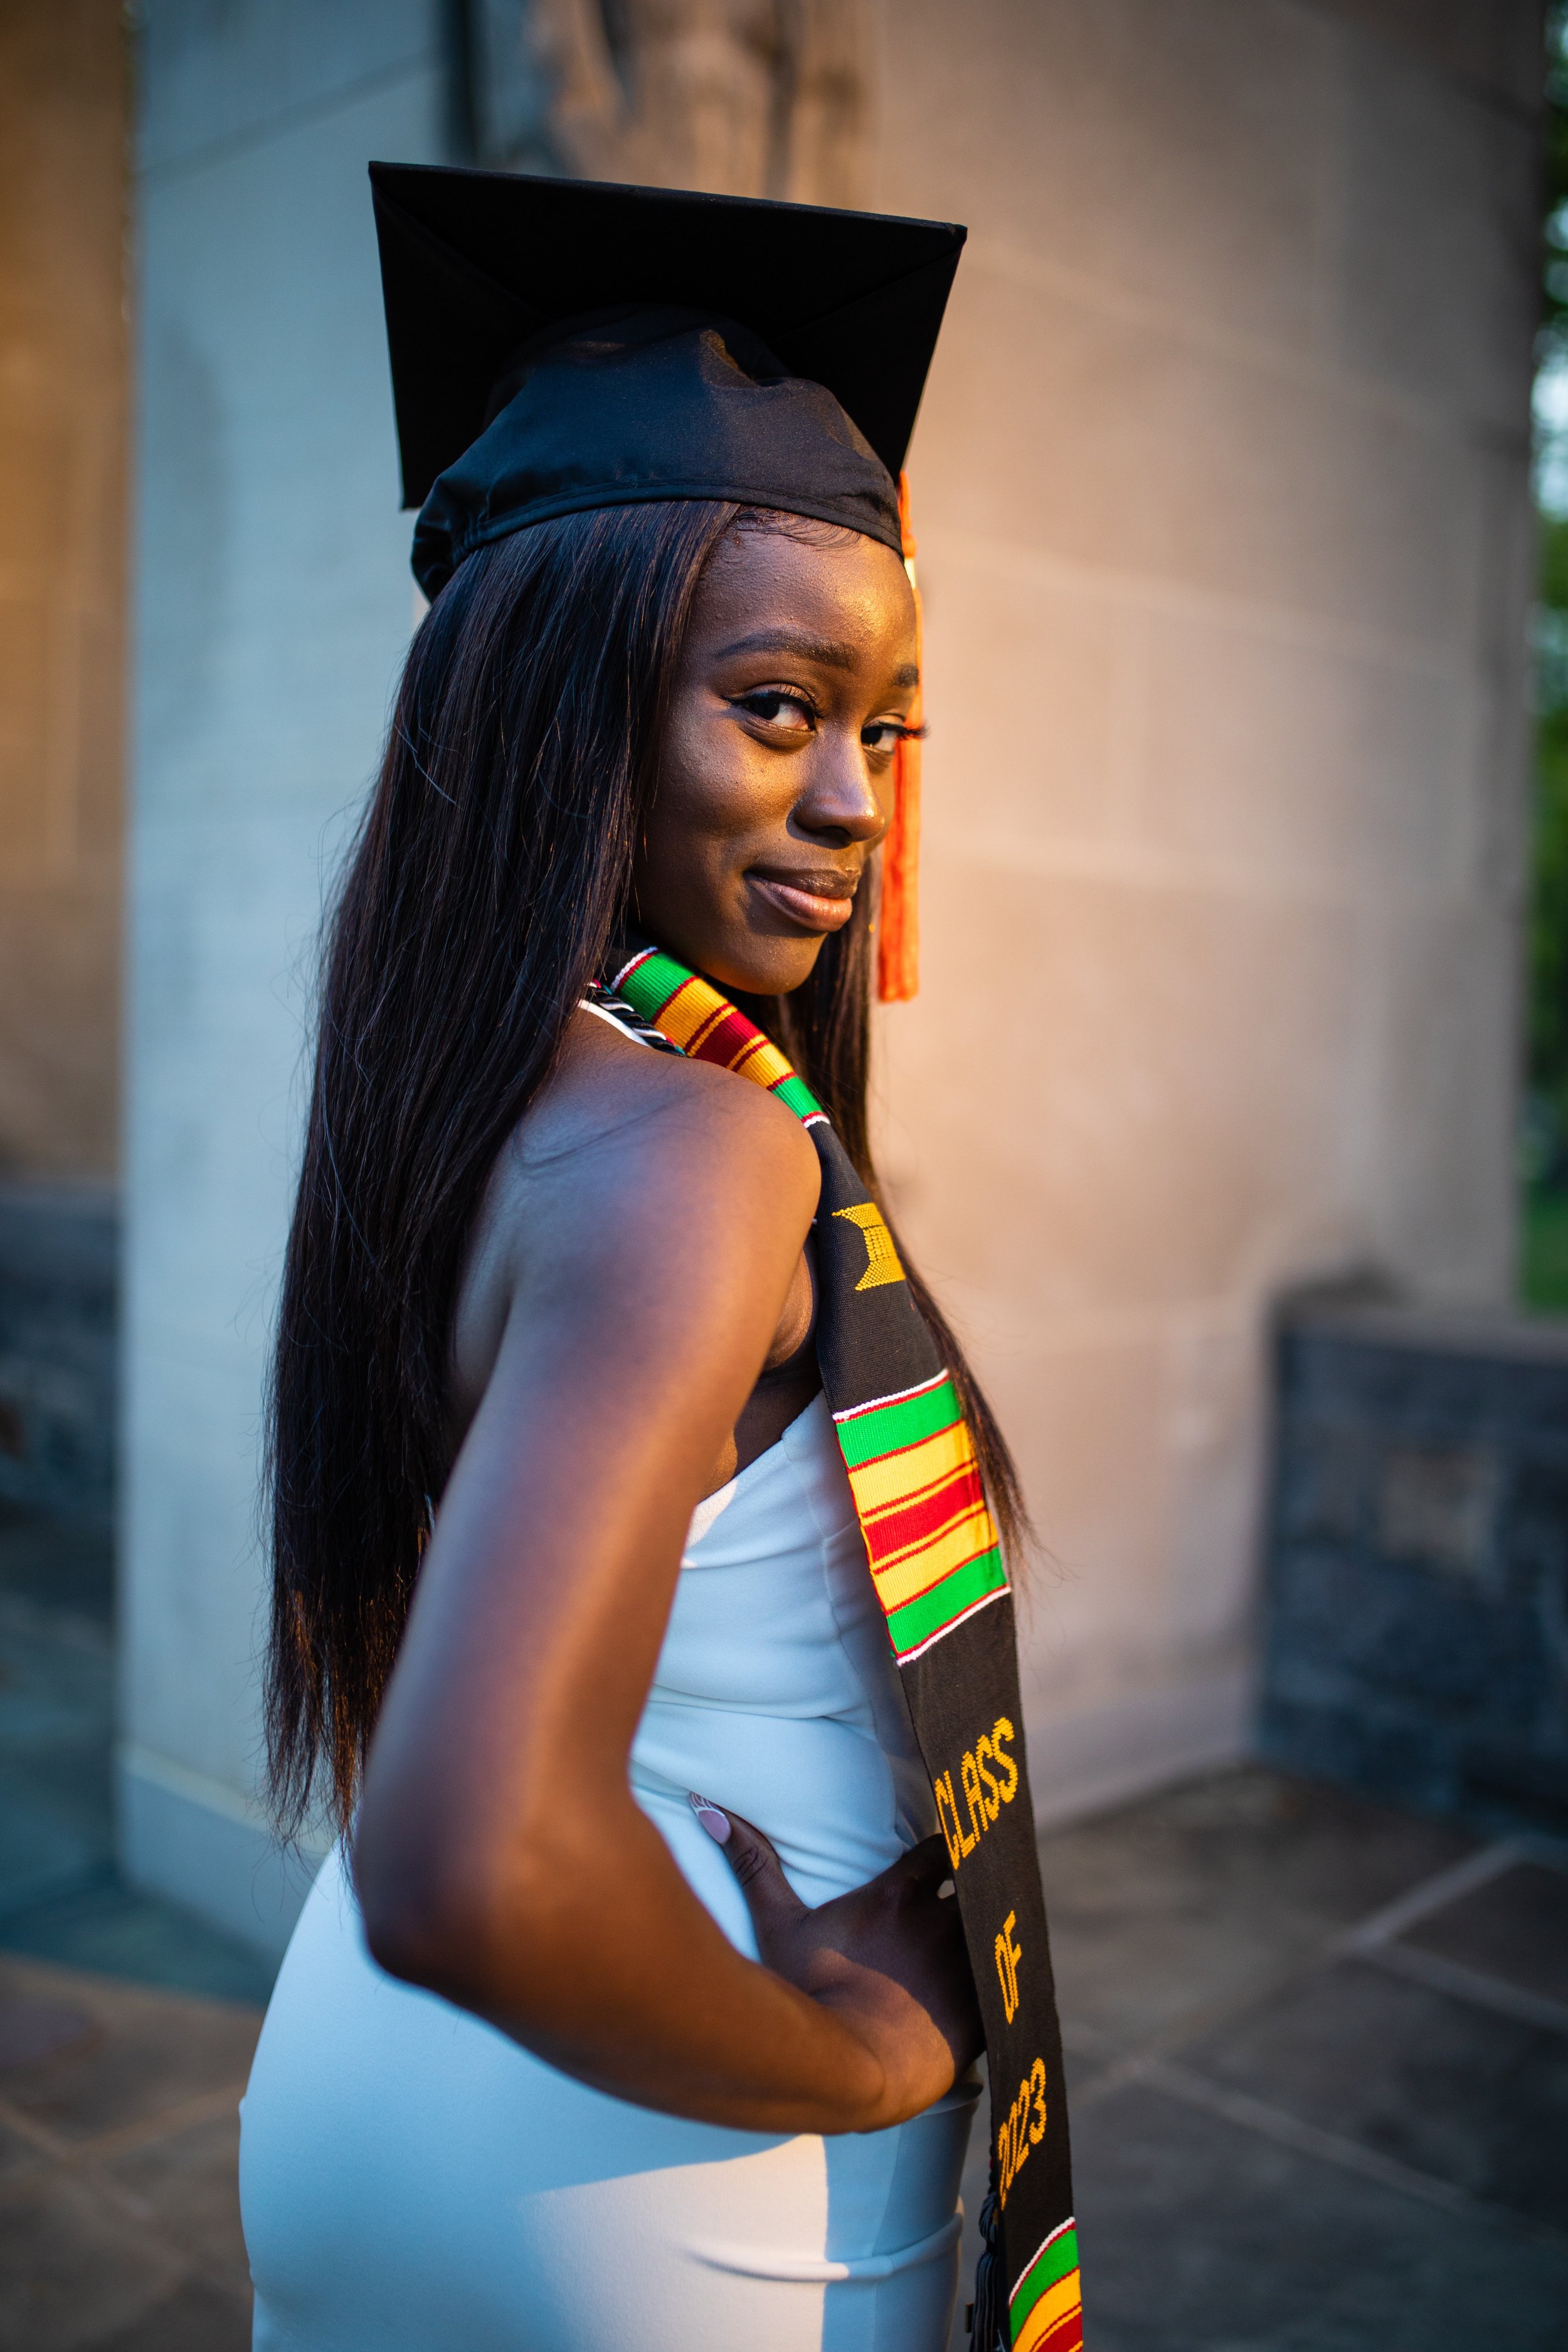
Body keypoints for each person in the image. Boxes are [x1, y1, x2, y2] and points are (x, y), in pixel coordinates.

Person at [240, 166, 1079, 2352]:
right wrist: (875, 2056)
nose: (861, 805)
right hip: (668, 2148)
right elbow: (474, 1862)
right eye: (778, 708)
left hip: (399, 2103)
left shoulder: (467, 1094)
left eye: (881, 726)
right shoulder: (694, 1161)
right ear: (559, 710)